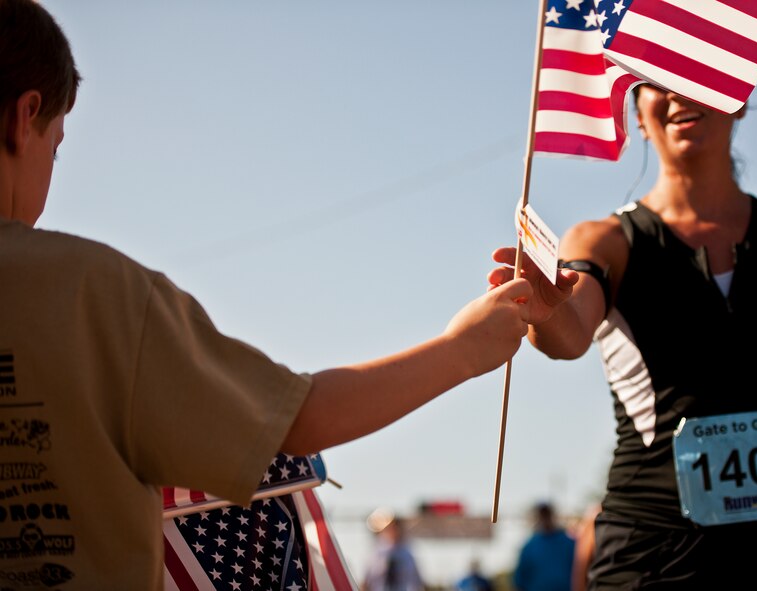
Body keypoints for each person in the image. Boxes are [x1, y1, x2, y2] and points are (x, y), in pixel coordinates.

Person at [0, 1, 560, 587]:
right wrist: (462, 349)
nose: (53, 168)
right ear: (25, 116)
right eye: (56, 145)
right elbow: (295, 422)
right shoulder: (95, 294)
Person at [489, 81, 757, 589]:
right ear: (638, 117)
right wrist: (543, 309)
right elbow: (570, 332)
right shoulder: (604, 241)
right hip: (653, 552)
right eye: (656, 84)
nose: (680, 95)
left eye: (698, 77)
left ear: (737, 98)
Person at [512, 501, 575, 591]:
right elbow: (519, 580)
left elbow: (580, 571)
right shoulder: (529, 547)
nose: (545, 519)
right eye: (542, 515)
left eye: (547, 515)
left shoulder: (569, 543)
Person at [362, 514, 425, 591]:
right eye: (390, 528)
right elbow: (366, 582)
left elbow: (417, 582)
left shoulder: (407, 555)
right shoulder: (375, 555)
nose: (394, 531)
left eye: (396, 528)